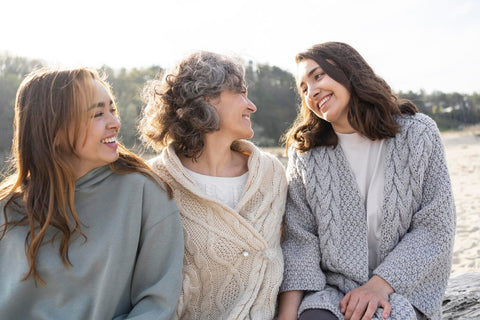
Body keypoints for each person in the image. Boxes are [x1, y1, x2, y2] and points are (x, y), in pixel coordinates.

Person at [277, 42, 456, 320]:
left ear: (348, 70)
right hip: (335, 293)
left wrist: (378, 286)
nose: (311, 92)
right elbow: (300, 241)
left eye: (318, 76)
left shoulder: (418, 134)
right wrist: (286, 317)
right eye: (303, 88)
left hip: (405, 289)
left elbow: (435, 226)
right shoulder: (307, 155)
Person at [0, 67, 184, 319]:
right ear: (54, 131)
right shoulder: (7, 209)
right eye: (98, 114)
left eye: (112, 110)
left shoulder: (144, 193)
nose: (115, 123)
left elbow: (157, 305)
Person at [139, 51, 288, 320]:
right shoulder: (157, 180)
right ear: (207, 98)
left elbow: (292, 251)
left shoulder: (271, 175)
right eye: (241, 93)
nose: (251, 105)